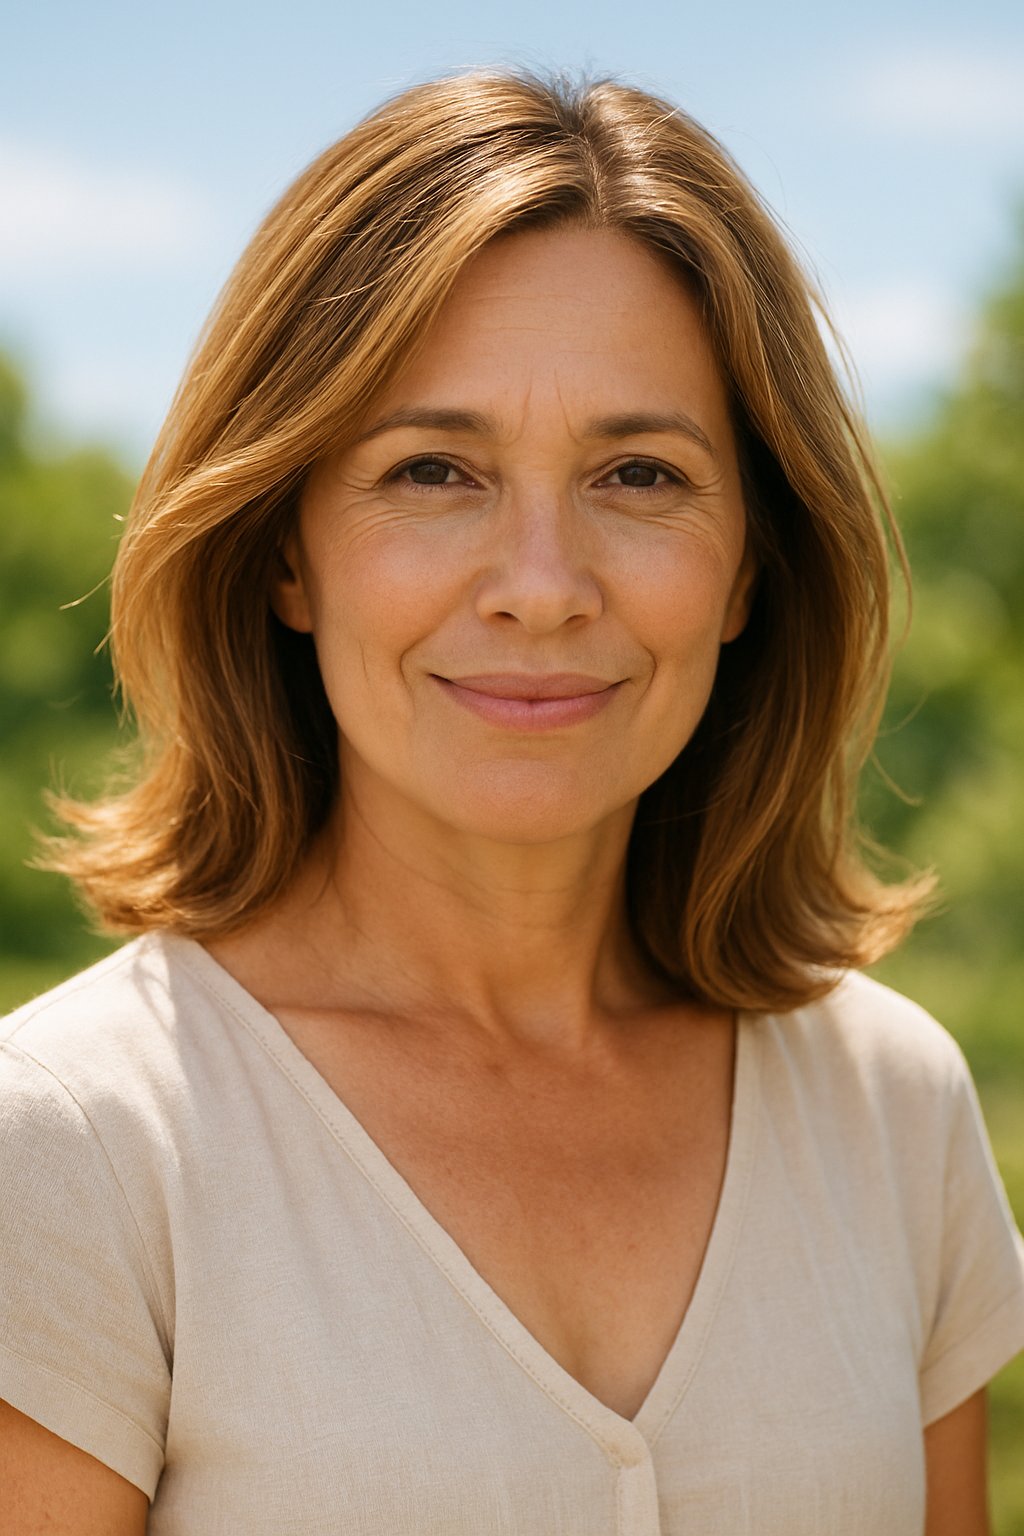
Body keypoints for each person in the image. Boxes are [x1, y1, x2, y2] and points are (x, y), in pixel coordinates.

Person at [1, 69, 1022, 1536]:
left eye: (639, 474)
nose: (542, 587)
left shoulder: (893, 1110)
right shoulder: (69, 1147)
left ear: (750, 564)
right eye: (434, 470)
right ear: (285, 553)